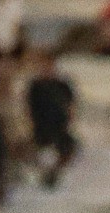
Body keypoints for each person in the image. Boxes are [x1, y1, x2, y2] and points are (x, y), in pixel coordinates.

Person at [26, 51, 77, 188]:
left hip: (59, 126)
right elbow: (29, 108)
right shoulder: (35, 86)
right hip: (41, 127)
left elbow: (71, 105)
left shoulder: (62, 84)